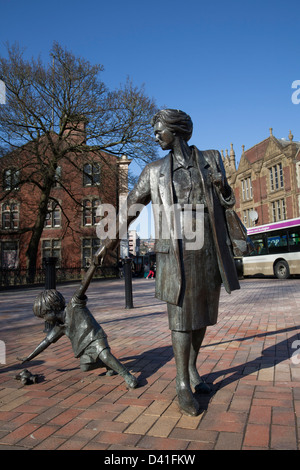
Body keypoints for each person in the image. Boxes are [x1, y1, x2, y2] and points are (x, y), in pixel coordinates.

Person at [94, 109, 245, 416]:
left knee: (202, 314)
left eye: (158, 130)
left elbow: (228, 201)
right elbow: (132, 206)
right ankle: (181, 385)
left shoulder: (211, 159)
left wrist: (222, 186)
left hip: (208, 242)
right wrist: (108, 239)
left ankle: (191, 370)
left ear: (175, 131)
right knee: (180, 317)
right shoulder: (153, 171)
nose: (155, 136)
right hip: (175, 248)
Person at [18, 289, 138, 389]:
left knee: (105, 355)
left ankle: (127, 376)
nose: (45, 319)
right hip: (85, 346)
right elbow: (46, 342)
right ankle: (109, 365)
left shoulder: (74, 305)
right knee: (85, 367)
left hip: (95, 336)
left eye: (44, 315)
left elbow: (83, 285)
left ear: (52, 308)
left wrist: (94, 266)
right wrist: (29, 357)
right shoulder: (59, 327)